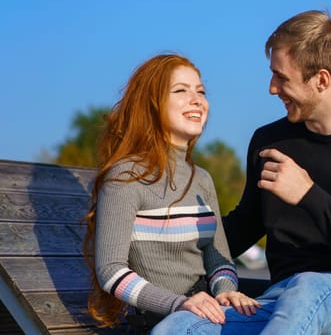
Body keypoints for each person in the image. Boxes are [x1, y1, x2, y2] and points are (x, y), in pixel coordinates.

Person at [152, 9, 331, 334]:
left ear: (321, 79)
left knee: (309, 289)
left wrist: (308, 195)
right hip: (280, 303)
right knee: (178, 328)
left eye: (282, 77)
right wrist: (168, 253)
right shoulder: (270, 141)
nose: (271, 88)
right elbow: (246, 224)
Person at [82, 54, 260, 333]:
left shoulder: (202, 179)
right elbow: (111, 271)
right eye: (181, 90)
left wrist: (226, 291)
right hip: (164, 320)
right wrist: (179, 304)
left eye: (201, 91)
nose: (197, 99)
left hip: (208, 313)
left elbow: (218, 259)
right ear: (150, 105)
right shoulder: (126, 176)